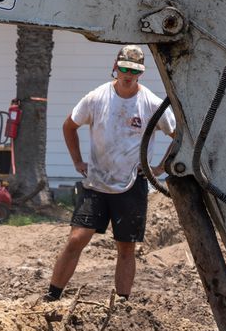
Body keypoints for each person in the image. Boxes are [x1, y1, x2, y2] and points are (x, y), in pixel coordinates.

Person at [43, 45, 174, 303]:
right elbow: (70, 125)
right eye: (124, 69)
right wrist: (77, 161)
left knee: (126, 247)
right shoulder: (97, 97)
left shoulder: (151, 103)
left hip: (132, 184)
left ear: (141, 73)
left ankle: (122, 303)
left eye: (134, 72)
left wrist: (160, 167)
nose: (128, 75)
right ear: (116, 66)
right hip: (96, 183)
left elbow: (178, 134)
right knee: (77, 238)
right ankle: (52, 295)